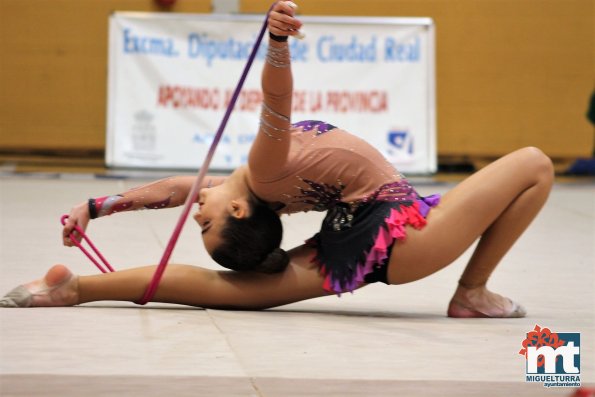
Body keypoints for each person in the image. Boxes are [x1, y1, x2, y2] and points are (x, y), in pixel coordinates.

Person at [0, 1, 554, 317]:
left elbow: (175, 189)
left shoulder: (259, 187)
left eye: (200, 221)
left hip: (351, 241)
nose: (194, 211)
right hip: (404, 233)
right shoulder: (263, 173)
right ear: (240, 213)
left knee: (232, 293)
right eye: (207, 221)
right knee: (533, 164)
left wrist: (96, 206)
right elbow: (277, 101)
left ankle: (74, 289)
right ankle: (472, 292)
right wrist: (278, 45)